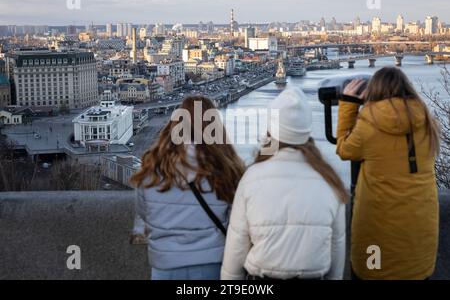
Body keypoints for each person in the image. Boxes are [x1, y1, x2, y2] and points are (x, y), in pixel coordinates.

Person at [221, 87, 349, 280]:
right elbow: (337, 249)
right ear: (306, 132)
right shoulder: (330, 181)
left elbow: (236, 248)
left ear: (271, 132)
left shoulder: (252, 178)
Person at [337, 67, 440, 280]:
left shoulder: (369, 125)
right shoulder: (427, 122)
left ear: (373, 92)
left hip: (377, 228)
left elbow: (345, 150)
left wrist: (348, 103)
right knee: (413, 269)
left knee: (374, 269)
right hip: (420, 229)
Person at [131, 96, 245, 280]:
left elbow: (144, 213)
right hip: (211, 264)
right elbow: (236, 222)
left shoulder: (151, 169)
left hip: (165, 265)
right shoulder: (227, 170)